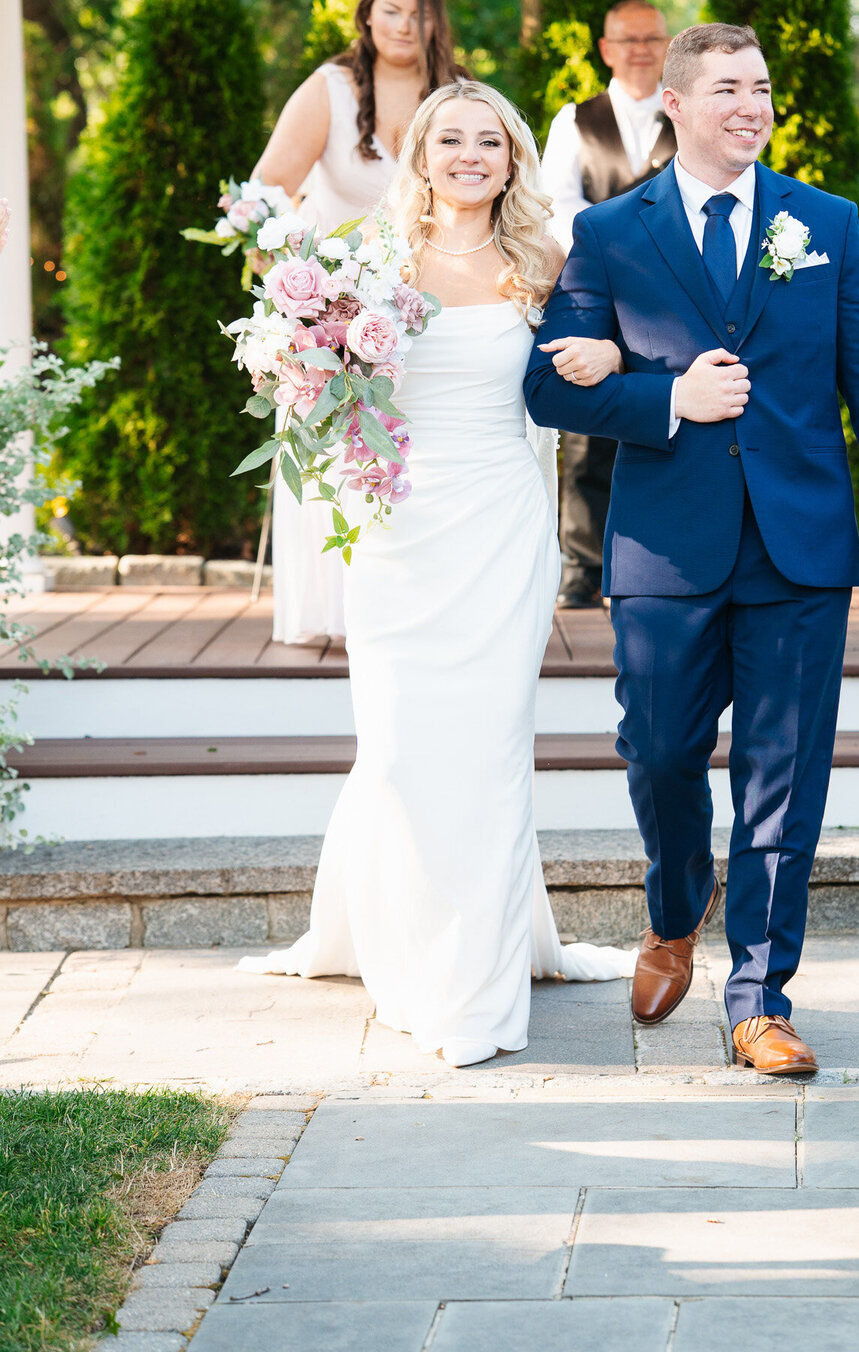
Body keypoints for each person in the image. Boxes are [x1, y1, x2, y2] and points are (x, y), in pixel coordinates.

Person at [526, 23, 859, 1077]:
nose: (751, 106)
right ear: (673, 103)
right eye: (727, 90)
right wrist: (668, 396)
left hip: (801, 545)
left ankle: (760, 997)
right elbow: (541, 385)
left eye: (762, 88)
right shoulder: (613, 233)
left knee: (782, 777)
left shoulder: (825, 223)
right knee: (658, 752)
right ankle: (674, 906)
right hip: (666, 544)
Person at [242, 79, 634, 1067]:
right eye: (450, 139)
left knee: (490, 744)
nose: (469, 155)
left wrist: (605, 350)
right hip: (397, 529)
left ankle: (475, 990)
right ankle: (391, 936)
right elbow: (316, 379)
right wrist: (292, 366)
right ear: (420, 151)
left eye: (488, 141)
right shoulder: (369, 256)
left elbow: (611, 350)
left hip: (501, 523)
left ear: (512, 159)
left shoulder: (548, 256)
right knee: (406, 744)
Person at [252, 0, 461, 644]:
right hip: (338, 308)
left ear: (437, 24)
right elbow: (266, 197)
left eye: (420, 12)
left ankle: (424, 599)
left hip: (432, 302)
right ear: (368, 14)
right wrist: (301, 295)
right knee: (343, 456)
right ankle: (338, 611)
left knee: (419, 449)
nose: (406, 25)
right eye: (393, 9)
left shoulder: (458, 94)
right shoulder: (331, 89)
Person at [541, 0, 676, 608]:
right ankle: (582, 562)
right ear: (606, 49)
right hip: (596, 283)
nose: (641, 49)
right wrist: (611, 250)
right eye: (628, 39)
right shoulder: (575, 119)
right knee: (587, 418)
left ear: (668, 45)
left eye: (652, 38)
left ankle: (656, 559)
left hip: (676, 291)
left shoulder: (688, 114)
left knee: (666, 407)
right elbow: (556, 203)